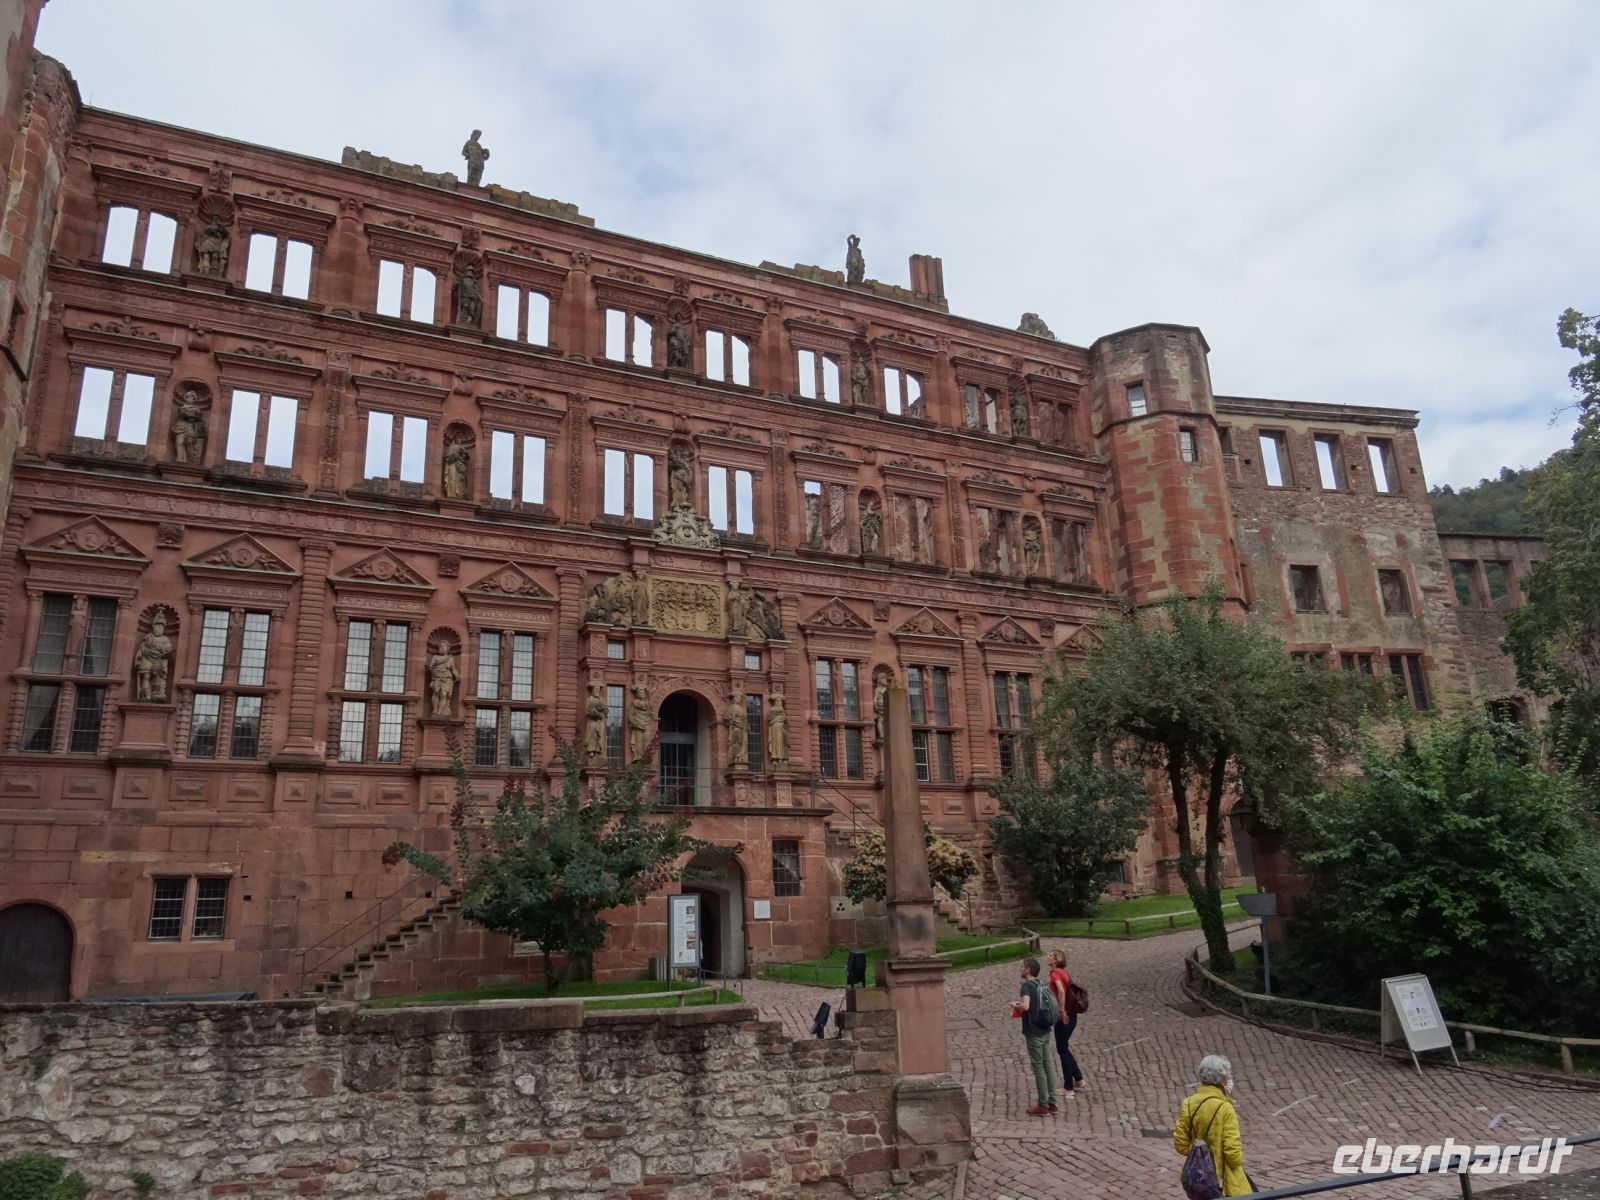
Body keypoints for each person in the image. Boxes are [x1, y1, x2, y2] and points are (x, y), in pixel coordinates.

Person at [1174, 1055, 1249, 1197]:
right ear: (1221, 1080)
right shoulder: (1225, 1108)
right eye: (1228, 1076)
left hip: (1199, 1179)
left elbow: (1181, 1145)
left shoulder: (1188, 1104)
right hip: (1222, 1180)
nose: (1229, 1079)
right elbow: (1233, 1154)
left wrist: (1200, 1153)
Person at [1011, 956, 1058, 1116]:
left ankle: (1043, 1105)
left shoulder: (1026, 986)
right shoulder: (1040, 984)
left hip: (1033, 1032)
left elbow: (1026, 1005)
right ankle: (1052, 1103)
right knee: (1048, 1066)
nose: (1020, 969)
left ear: (1028, 969)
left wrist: (1016, 1005)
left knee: (1038, 1067)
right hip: (1045, 1030)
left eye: (1022, 966)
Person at [1047, 949, 1085, 1095]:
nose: (1048, 957)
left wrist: (1062, 1011)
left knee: (1062, 1049)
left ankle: (1068, 1087)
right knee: (1064, 1047)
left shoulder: (1055, 973)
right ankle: (1079, 1079)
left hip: (1065, 1017)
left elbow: (1061, 991)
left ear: (1057, 960)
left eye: (1051, 956)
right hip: (1073, 1015)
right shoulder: (1064, 972)